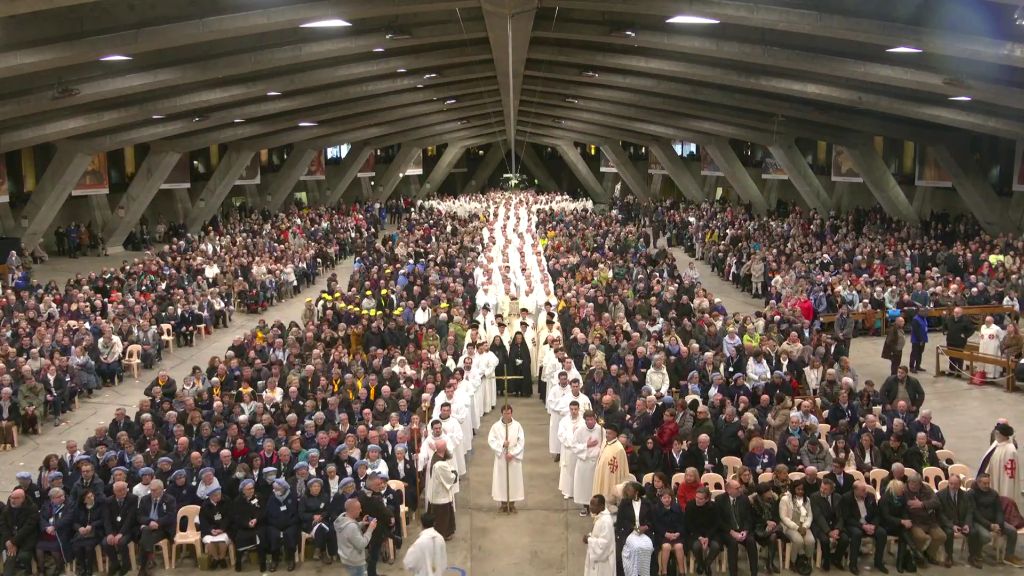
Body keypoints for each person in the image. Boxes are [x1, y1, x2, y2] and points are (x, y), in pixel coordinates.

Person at [969, 473, 1023, 568]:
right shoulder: (972, 494)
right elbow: (975, 514)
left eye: (988, 483)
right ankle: (976, 554)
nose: (987, 486)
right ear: (978, 483)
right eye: (984, 483)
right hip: (979, 522)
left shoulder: (993, 493)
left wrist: (999, 524)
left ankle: (1008, 556)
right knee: (986, 537)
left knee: (1012, 531)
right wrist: (990, 525)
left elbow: (999, 511)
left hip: (994, 522)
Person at [840, 481, 889, 574]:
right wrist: (863, 526)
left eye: (865, 489)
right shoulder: (846, 498)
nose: (865, 491)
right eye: (862, 490)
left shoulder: (870, 496)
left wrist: (873, 525)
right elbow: (847, 518)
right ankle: (853, 564)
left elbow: (877, 514)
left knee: (882, 533)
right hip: (855, 524)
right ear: (855, 490)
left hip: (870, 523)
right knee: (856, 534)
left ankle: (878, 562)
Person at [488, 404, 525, 513]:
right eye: (505, 413)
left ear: (511, 413)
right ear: (502, 413)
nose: (507, 415)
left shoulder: (517, 426)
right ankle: (503, 504)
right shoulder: (496, 426)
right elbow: (491, 440)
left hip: (513, 458)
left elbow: (521, 442)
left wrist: (512, 453)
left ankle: (512, 504)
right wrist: (502, 445)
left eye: (508, 413)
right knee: (501, 481)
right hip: (501, 457)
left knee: (513, 481)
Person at [715, 479, 757, 576]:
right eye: (737, 488)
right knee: (733, 543)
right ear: (729, 490)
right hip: (727, 531)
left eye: (740, 487)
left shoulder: (744, 499)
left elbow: (749, 517)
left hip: (742, 530)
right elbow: (719, 521)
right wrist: (732, 532)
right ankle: (733, 573)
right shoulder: (719, 500)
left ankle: (754, 572)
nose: (740, 490)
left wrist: (745, 530)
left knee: (751, 541)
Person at [135, 479, 176, 576]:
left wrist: (157, 523)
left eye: (155, 490)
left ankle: (145, 565)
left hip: (162, 529)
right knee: (146, 531)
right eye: (151, 490)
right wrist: (149, 522)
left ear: (162, 489)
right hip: (148, 527)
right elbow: (139, 516)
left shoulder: (169, 499)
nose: (152, 492)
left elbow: (171, 516)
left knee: (143, 540)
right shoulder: (145, 499)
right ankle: (147, 561)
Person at [937, 473, 974, 568]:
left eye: (956, 484)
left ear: (960, 484)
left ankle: (973, 556)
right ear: (948, 483)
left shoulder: (965, 495)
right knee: (949, 532)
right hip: (947, 523)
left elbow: (969, 511)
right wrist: (951, 526)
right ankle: (949, 556)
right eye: (951, 483)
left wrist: (967, 524)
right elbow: (940, 514)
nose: (953, 486)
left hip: (961, 522)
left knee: (974, 531)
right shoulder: (940, 495)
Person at [616, 482, 654, 576]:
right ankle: (632, 572)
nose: (627, 492)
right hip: (630, 532)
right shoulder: (624, 503)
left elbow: (652, 520)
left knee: (647, 547)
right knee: (636, 548)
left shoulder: (647, 503)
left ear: (636, 492)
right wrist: (633, 527)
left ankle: (644, 572)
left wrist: (646, 527)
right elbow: (621, 521)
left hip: (644, 533)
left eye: (629, 490)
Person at [102, 481, 138, 576]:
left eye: (124, 490)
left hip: (128, 529)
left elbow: (131, 518)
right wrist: (109, 533)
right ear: (114, 491)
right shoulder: (108, 501)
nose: (122, 492)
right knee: (106, 543)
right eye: (119, 490)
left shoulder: (133, 499)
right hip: (114, 529)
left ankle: (126, 564)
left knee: (121, 542)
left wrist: (121, 533)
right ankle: (115, 564)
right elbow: (106, 519)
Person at [978, 422, 1020, 501]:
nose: (995, 434)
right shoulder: (996, 443)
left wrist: (1006, 497)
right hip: (993, 477)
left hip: (1002, 483)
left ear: (1000, 434)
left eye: (996, 433)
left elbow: (1009, 477)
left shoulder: (1010, 451)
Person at [424, 439, 457, 539]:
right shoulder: (440, 465)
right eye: (446, 447)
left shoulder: (435, 455)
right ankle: (441, 535)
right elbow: (450, 478)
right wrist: (454, 473)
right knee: (442, 518)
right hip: (440, 497)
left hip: (436, 494)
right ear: (444, 449)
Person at [572, 410, 603, 516]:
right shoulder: (579, 431)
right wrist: (586, 445)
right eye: (588, 420)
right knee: (583, 487)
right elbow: (574, 446)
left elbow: (603, 444)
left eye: (592, 419)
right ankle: (585, 507)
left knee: (594, 486)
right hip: (584, 462)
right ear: (585, 420)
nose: (590, 422)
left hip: (595, 463)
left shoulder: (601, 430)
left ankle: (595, 507)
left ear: (595, 419)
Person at [779, 479, 815, 572]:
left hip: (803, 526)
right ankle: (793, 561)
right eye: (798, 489)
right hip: (790, 526)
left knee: (811, 541)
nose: (800, 491)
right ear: (793, 489)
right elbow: (784, 517)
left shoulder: (806, 499)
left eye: (802, 490)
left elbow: (810, 515)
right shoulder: (785, 499)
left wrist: (805, 526)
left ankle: (805, 560)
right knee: (798, 541)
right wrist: (797, 528)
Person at [685, 487, 721, 576]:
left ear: (707, 499)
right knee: (696, 546)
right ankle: (701, 564)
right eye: (696, 497)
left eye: (700, 499)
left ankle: (706, 564)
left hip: (710, 534)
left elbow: (716, 524)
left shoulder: (714, 507)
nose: (697, 500)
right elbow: (688, 524)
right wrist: (700, 537)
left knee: (716, 546)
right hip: (695, 534)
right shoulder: (690, 505)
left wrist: (708, 537)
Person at [335, 498, 376, 576]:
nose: (361, 510)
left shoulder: (341, 519)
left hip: (346, 557)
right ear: (352, 510)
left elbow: (349, 531)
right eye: (359, 508)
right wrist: (370, 529)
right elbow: (362, 544)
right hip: (355, 562)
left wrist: (361, 523)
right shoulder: (351, 527)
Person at [593, 423, 631, 503]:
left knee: (607, 497)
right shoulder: (605, 442)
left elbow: (621, 469)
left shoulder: (619, 449)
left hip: (611, 477)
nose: (607, 435)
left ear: (615, 434)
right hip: (601, 474)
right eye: (606, 432)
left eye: (609, 433)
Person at [199, 487, 232, 569]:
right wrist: (211, 530)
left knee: (222, 540)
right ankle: (216, 558)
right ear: (210, 496)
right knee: (209, 542)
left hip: (224, 528)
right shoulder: (204, 505)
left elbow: (229, 517)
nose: (218, 497)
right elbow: (203, 521)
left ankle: (222, 558)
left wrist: (222, 529)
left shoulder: (226, 501)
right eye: (215, 495)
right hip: (210, 529)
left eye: (219, 494)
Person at [584, 494, 616, 576]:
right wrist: (591, 535)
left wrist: (589, 540)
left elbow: (604, 544)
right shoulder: (600, 516)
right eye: (590, 504)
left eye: (593, 505)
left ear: (602, 506)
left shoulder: (606, 521)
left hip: (603, 564)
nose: (590, 507)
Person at [943, 307, 975, 377]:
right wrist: (945, 331)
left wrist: (966, 335)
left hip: (960, 342)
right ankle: (951, 370)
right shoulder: (950, 318)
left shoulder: (965, 320)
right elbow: (945, 325)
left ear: (961, 313)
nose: (956, 314)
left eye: (958, 313)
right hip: (950, 341)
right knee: (951, 356)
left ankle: (959, 372)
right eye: (955, 312)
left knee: (959, 357)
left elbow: (972, 329)